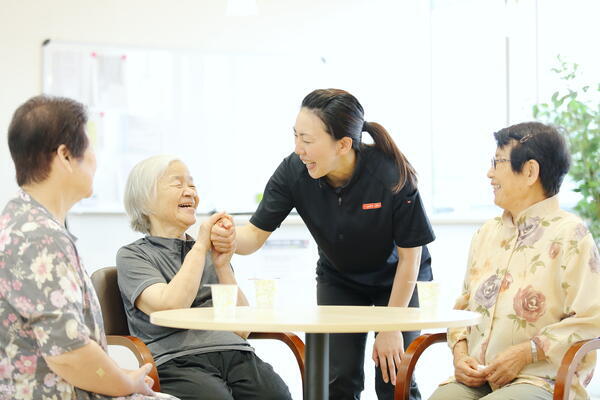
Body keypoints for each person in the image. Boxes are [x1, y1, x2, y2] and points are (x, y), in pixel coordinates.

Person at [211, 88, 435, 400]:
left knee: (392, 375)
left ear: (343, 144)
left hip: (397, 279)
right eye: (295, 136)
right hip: (340, 279)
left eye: (308, 139)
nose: (298, 149)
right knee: (338, 379)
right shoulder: (293, 171)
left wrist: (392, 324)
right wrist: (229, 238)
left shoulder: (389, 173)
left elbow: (411, 258)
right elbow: (253, 237)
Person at [0, 95, 176, 400]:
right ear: (66, 156)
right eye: (91, 147)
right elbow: (69, 354)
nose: (96, 159)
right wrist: (126, 383)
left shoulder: (23, 221)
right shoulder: (39, 238)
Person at [428, 122, 600, 400]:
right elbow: (463, 306)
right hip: (480, 375)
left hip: (543, 378)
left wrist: (526, 352)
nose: (489, 173)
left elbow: (593, 319)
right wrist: (460, 355)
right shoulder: (487, 233)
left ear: (530, 171)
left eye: (498, 163)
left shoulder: (571, 234)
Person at [116, 155, 292, 400]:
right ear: (145, 200)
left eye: (192, 185)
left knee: (276, 395)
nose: (190, 192)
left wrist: (222, 265)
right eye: (178, 185)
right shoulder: (133, 256)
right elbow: (171, 305)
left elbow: (242, 329)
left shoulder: (210, 252)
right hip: (176, 360)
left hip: (235, 352)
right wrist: (200, 245)